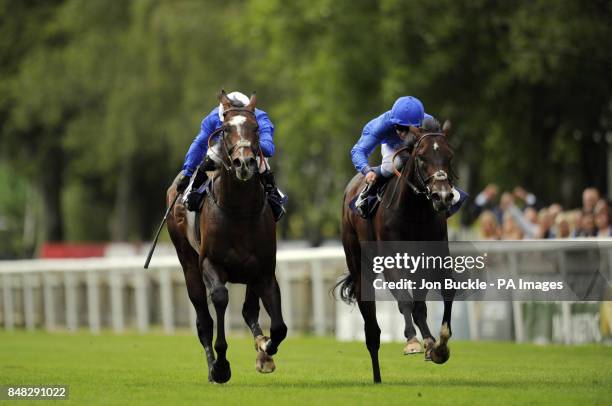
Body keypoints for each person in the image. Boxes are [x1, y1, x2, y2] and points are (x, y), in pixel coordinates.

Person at [176, 91, 287, 221]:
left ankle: (274, 198)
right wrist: (187, 172)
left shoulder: (259, 116)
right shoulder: (214, 117)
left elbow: (268, 148)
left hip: (251, 151)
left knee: (263, 167)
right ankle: (193, 193)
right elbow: (200, 144)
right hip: (225, 151)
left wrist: (244, 145)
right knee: (207, 162)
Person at [350, 96, 466, 218]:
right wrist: (367, 171)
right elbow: (358, 151)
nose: (403, 133)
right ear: (393, 122)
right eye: (400, 127)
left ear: (419, 124)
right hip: (392, 146)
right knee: (390, 167)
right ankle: (367, 194)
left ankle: (447, 190)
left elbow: (437, 149)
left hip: (417, 146)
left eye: (408, 129)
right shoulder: (380, 126)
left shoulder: (428, 122)